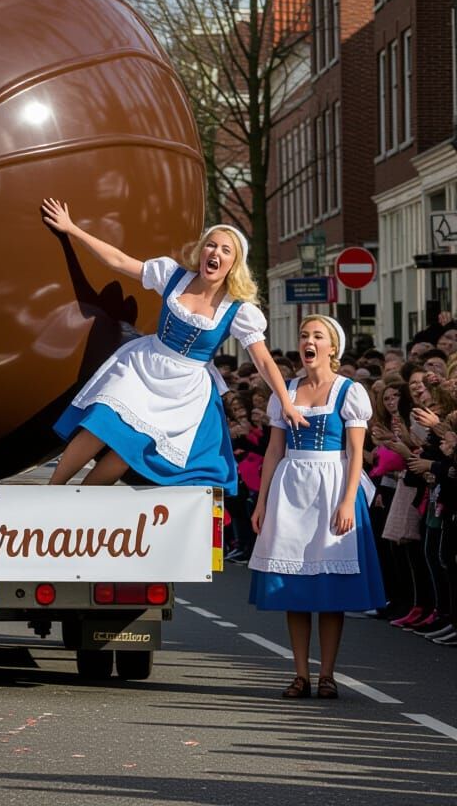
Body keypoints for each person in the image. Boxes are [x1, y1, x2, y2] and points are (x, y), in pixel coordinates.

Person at [41, 200, 307, 491]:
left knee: (127, 450)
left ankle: (77, 504)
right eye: (211, 245)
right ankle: (53, 492)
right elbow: (118, 260)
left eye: (225, 250)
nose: (215, 252)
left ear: (234, 265)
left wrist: (286, 403)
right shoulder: (173, 275)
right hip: (144, 365)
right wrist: (71, 229)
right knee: (100, 423)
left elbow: (265, 361)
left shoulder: (239, 311)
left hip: (183, 388)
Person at [249, 315, 386, 699]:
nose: (308, 341)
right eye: (304, 335)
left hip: (332, 483)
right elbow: (274, 450)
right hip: (291, 487)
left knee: (329, 591)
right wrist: (261, 502)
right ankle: (300, 674)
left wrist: (347, 501)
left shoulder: (348, 391)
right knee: (295, 587)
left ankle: (327, 674)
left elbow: (355, 452)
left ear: (332, 348)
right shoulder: (285, 390)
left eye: (317, 336)